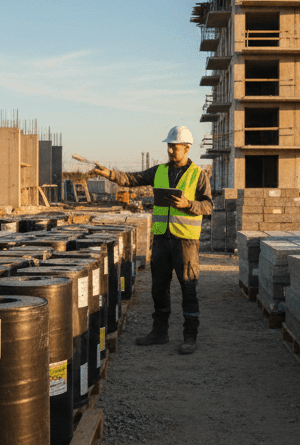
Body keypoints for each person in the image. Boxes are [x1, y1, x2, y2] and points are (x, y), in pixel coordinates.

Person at [91, 125, 212, 354]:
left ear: (186, 148)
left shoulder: (198, 174)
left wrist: (189, 205)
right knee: (159, 288)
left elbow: (208, 206)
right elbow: (132, 178)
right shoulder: (159, 171)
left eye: (174, 147)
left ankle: (190, 336)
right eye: (168, 146)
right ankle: (159, 332)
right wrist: (109, 173)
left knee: (188, 289)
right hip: (161, 240)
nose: (170, 150)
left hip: (185, 242)